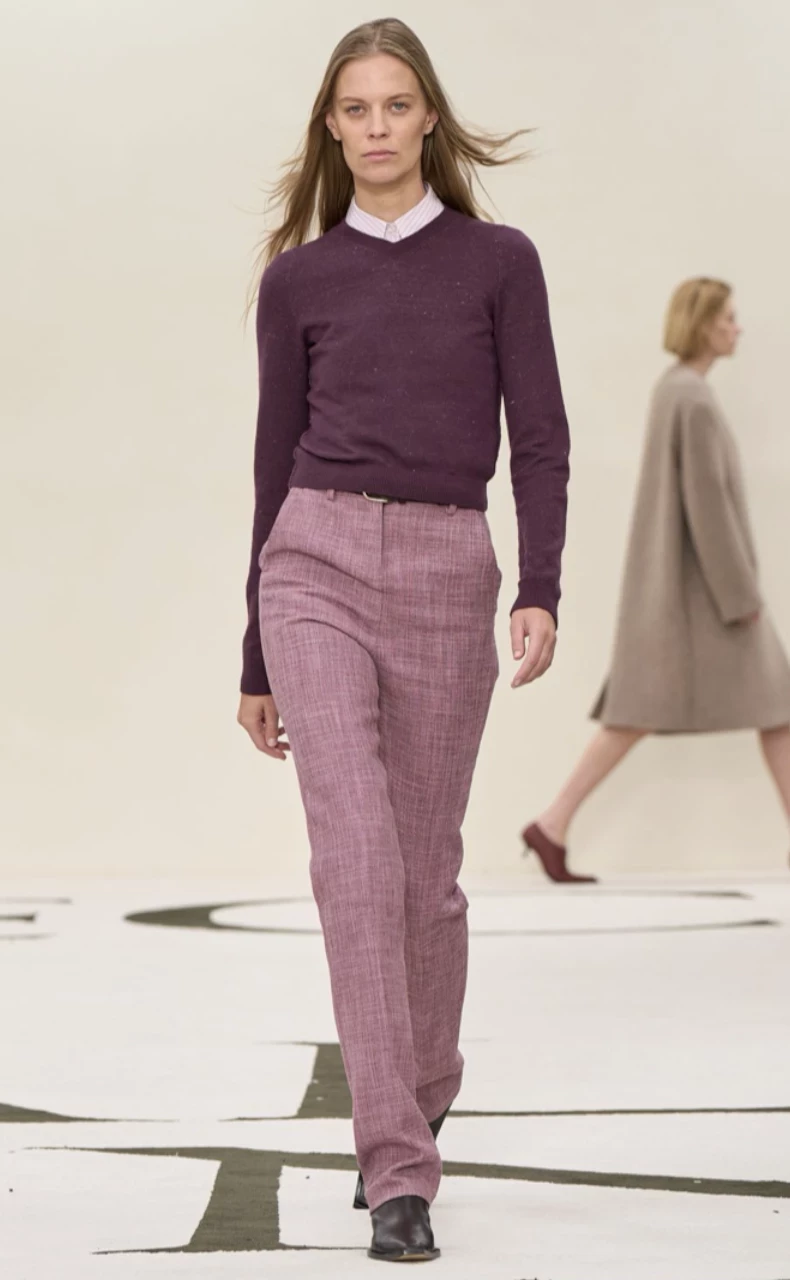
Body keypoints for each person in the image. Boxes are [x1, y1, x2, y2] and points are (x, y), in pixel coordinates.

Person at [235, 16, 570, 1264]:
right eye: (353, 108)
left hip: (445, 565)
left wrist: (539, 582)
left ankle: (419, 1092)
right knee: (358, 862)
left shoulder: (499, 261)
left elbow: (539, 433)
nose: (374, 126)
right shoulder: (298, 280)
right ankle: (395, 1166)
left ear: (428, 115)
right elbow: (271, 460)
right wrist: (255, 651)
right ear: (330, 129)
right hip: (312, 559)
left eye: (394, 104)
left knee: (424, 875)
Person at [523, 278, 790, 884]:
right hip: (707, 599)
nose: (737, 327)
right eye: (728, 317)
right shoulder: (691, 398)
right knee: (739, 705)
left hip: (685, 597)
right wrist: (741, 596)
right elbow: (708, 507)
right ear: (703, 325)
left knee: (660, 709)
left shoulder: (677, 391)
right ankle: (552, 823)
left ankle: (552, 825)